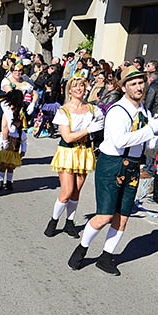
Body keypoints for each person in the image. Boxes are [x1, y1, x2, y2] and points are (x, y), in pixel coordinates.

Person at [67, 69, 158, 275]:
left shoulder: (144, 112)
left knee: (122, 217)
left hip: (132, 165)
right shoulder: (117, 111)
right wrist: (150, 130)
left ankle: (106, 257)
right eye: (133, 84)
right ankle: (81, 249)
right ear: (124, 87)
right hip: (112, 164)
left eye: (141, 83)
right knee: (104, 215)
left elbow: (147, 146)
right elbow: (120, 141)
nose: (139, 87)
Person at [45, 73, 104, 238]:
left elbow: (103, 121)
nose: (79, 89)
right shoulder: (64, 111)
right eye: (75, 86)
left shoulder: (93, 109)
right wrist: (89, 130)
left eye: (82, 85)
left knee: (76, 191)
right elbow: (68, 137)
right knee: (67, 191)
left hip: (84, 152)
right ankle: (54, 220)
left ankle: (69, 222)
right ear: (69, 89)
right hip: (68, 152)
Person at [0, 89, 28, 193]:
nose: (16, 124)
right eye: (15, 122)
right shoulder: (8, 132)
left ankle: (9, 182)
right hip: (5, 151)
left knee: (11, 167)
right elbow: (2, 137)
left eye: (18, 123)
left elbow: (24, 142)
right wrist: (1, 145)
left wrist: (23, 151)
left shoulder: (21, 133)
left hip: (14, 152)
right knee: (3, 166)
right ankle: (0, 181)